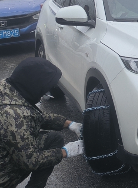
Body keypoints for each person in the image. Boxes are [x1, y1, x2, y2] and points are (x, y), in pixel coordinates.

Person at [0, 57, 85, 188]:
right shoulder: (14, 116)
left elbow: (32, 115)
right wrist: (65, 152)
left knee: (53, 139)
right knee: (40, 152)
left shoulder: (7, 90)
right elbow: (31, 161)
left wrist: (69, 124)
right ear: (33, 85)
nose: (44, 93)